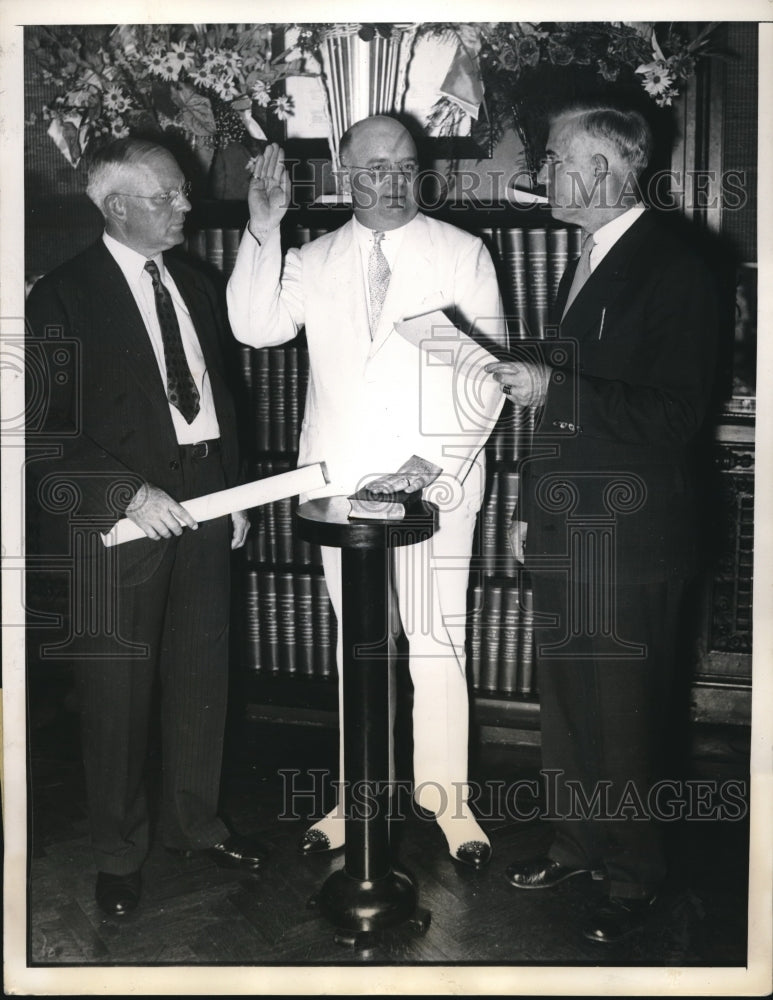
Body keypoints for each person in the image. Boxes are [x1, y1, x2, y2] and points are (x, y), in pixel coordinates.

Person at [227, 115, 507, 867]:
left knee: (435, 640)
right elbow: (254, 328)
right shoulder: (310, 258)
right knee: (361, 648)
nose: (389, 181)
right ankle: (359, 799)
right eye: (372, 167)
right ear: (343, 176)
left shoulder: (461, 253)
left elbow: (489, 380)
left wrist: (428, 464)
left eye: (403, 165)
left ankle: (447, 801)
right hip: (341, 487)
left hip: (436, 482)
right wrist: (263, 226)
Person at [486, 104, 719, 941]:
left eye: (553, 159)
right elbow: (561, 401)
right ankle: (578, 840)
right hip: (564, 526)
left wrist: (555, 390)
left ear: (607, 169)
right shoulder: (584, 257)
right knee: (569, 706)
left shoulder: (677, 268)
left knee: (625, 716)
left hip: (631, 537)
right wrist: (526, 503)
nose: (542, 172)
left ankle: (633, 876)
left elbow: (676, 416)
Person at [26, 137, 267, 919]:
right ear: (115, 205)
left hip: (203, 500)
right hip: (121, 514)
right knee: (116, 689)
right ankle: (117, 854)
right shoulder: (59, 297)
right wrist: (127, 494)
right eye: (166, 195)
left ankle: (197, 826)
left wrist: (228, 497)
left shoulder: (195, 283)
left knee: (203, 675)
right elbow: (39, 430)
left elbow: (221, 398)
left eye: (182, 194)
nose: (185, 205)